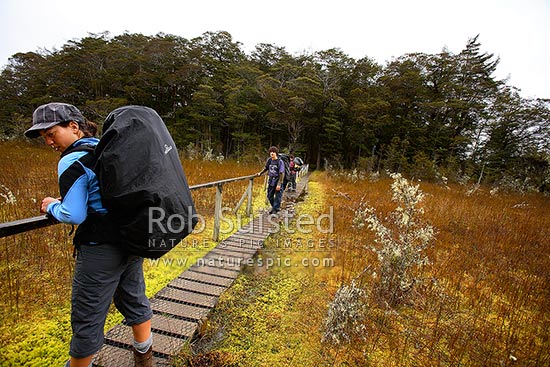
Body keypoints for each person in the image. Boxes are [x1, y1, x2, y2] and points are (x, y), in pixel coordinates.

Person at [24, 102, 153, 367]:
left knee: (87, 315)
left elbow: (74, 215)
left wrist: (51, 206)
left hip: (100, 246)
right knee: (134, 297)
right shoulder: (107, 147)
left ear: (73, 127)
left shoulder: (71, 159)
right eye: (43, 137)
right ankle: (144, 357)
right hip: (131, 238)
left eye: (51, 133)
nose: (48, 142)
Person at [257, 146, 285, 215]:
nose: (272, 153)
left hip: (278, 180)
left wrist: (279, 184)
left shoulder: (280, 162)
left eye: (273, 152)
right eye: (271, 152)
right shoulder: (269, 160)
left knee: (278, 196)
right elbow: (266, 168)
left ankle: (275, 210)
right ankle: (275, 208)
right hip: (271, 180)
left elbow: (281, 173)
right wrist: (260, 173)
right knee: (269, 195)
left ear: (276, 153)